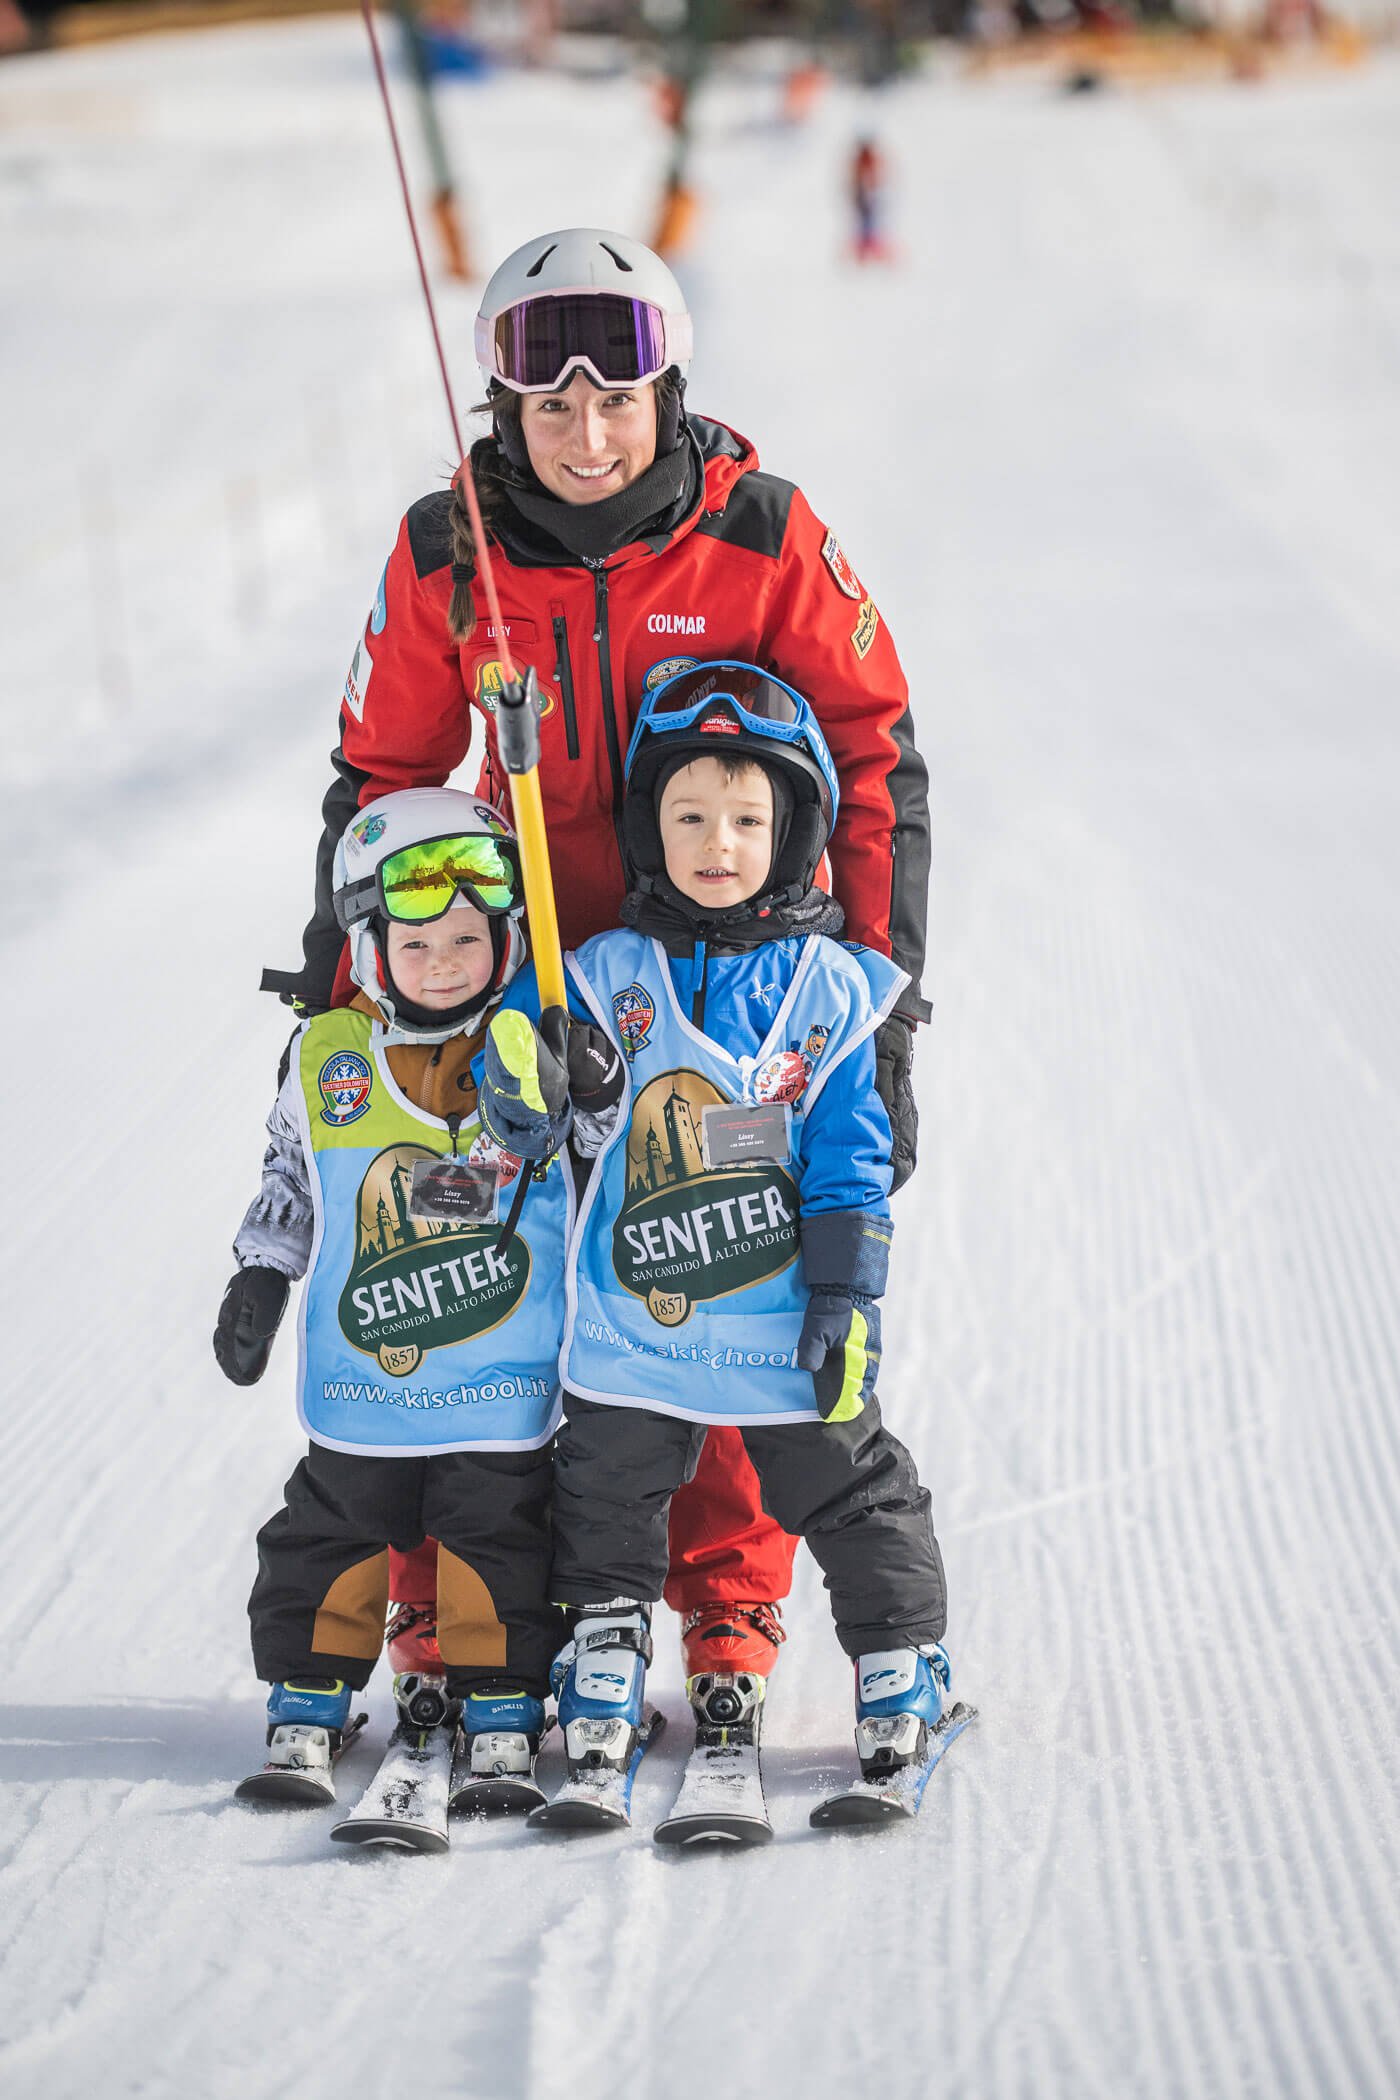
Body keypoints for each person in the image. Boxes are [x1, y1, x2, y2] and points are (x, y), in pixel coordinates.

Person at [263, 225, 933, 1696]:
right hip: (517, 989)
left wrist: (880, 1006)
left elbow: (875, 754)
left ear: (669, 393)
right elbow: (380, 772)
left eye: (615, 399)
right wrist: (343, 988)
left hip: (732, 996)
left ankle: (726, 1606)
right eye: (549, 403)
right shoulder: (452, 549)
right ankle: (469, 1612)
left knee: (722, 1282)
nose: (585, 431)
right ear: (504, 406)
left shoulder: (762, 534)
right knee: (482, 1284)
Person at [479, 664, 950, 1795]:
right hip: (636, 1331)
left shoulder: (829, 990)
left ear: (792, 837)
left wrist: (844, 1297)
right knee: (601, 1491)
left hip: (777, 1327)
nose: (717, 843)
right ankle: (604, 1647)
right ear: (649, 827)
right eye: (688, 816)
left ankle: (896, 1656)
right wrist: (538, 1069)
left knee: (849, 1483)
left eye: (748, 820)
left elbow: (849, 1159)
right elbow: (524, 1104)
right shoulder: (599, 974)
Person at [216, 787, 619, 1798]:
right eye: (415, 946)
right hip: (366, 1391)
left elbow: (602, 1172)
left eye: (465, 943)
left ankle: (502, 1698)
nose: (441, 965)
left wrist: (596, 1089)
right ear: (367, 951)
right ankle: (307, 1692)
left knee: (499, 1542)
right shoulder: (328, 1059)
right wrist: (261, 1274)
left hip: (496, 1386)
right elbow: (289, 1177)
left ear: (509, 940)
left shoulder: (534, 1058)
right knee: (325, 1536)